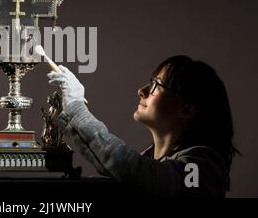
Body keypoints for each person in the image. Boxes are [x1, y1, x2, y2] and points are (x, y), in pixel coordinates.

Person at [47, 55, 239, 198]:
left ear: (186, 110)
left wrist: (77, 108)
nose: (142, 91)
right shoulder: (152, 162)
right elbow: (112, 165)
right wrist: (71, 111)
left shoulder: (203, 167)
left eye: (157, 85)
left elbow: (128, 167)